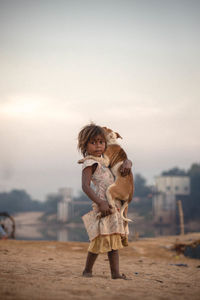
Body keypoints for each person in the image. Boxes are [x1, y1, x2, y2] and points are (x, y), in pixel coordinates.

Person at [77, 123, 132, 279]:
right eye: (93, 142)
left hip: (114, 204)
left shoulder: (106, 161)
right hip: (103, 205)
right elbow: (85, 186)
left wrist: (129, 162)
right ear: (85, 145)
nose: (98, 146)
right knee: (99, 239)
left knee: (112, 238)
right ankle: (89, 271)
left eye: (101, 142)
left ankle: (114, 273)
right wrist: (100, 203)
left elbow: (123, 163)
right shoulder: (90, 163)